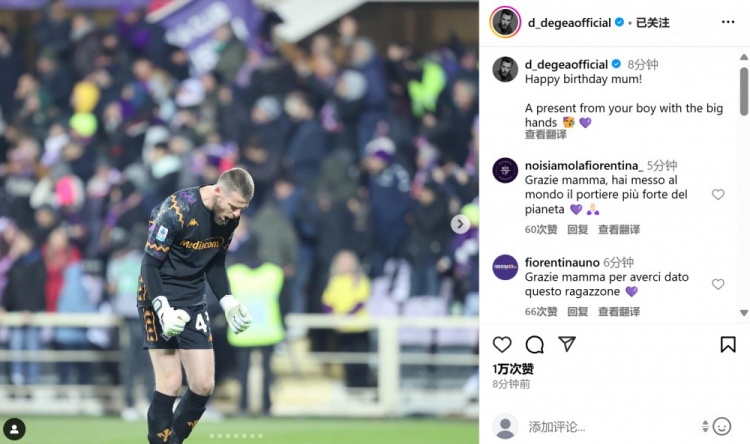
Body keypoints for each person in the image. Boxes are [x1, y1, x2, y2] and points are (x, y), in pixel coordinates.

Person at [138, 168, 255, 444]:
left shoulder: (229, 217)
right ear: (218, 191)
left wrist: (228, 300)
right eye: (234, 206)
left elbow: (215, 262)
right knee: (169, 383)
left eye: (242, 209)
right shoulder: (176, 210)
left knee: (203, 385)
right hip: (158, 295)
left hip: (193, 299)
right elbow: (150, 264)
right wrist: (162, 308)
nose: (236, 214)